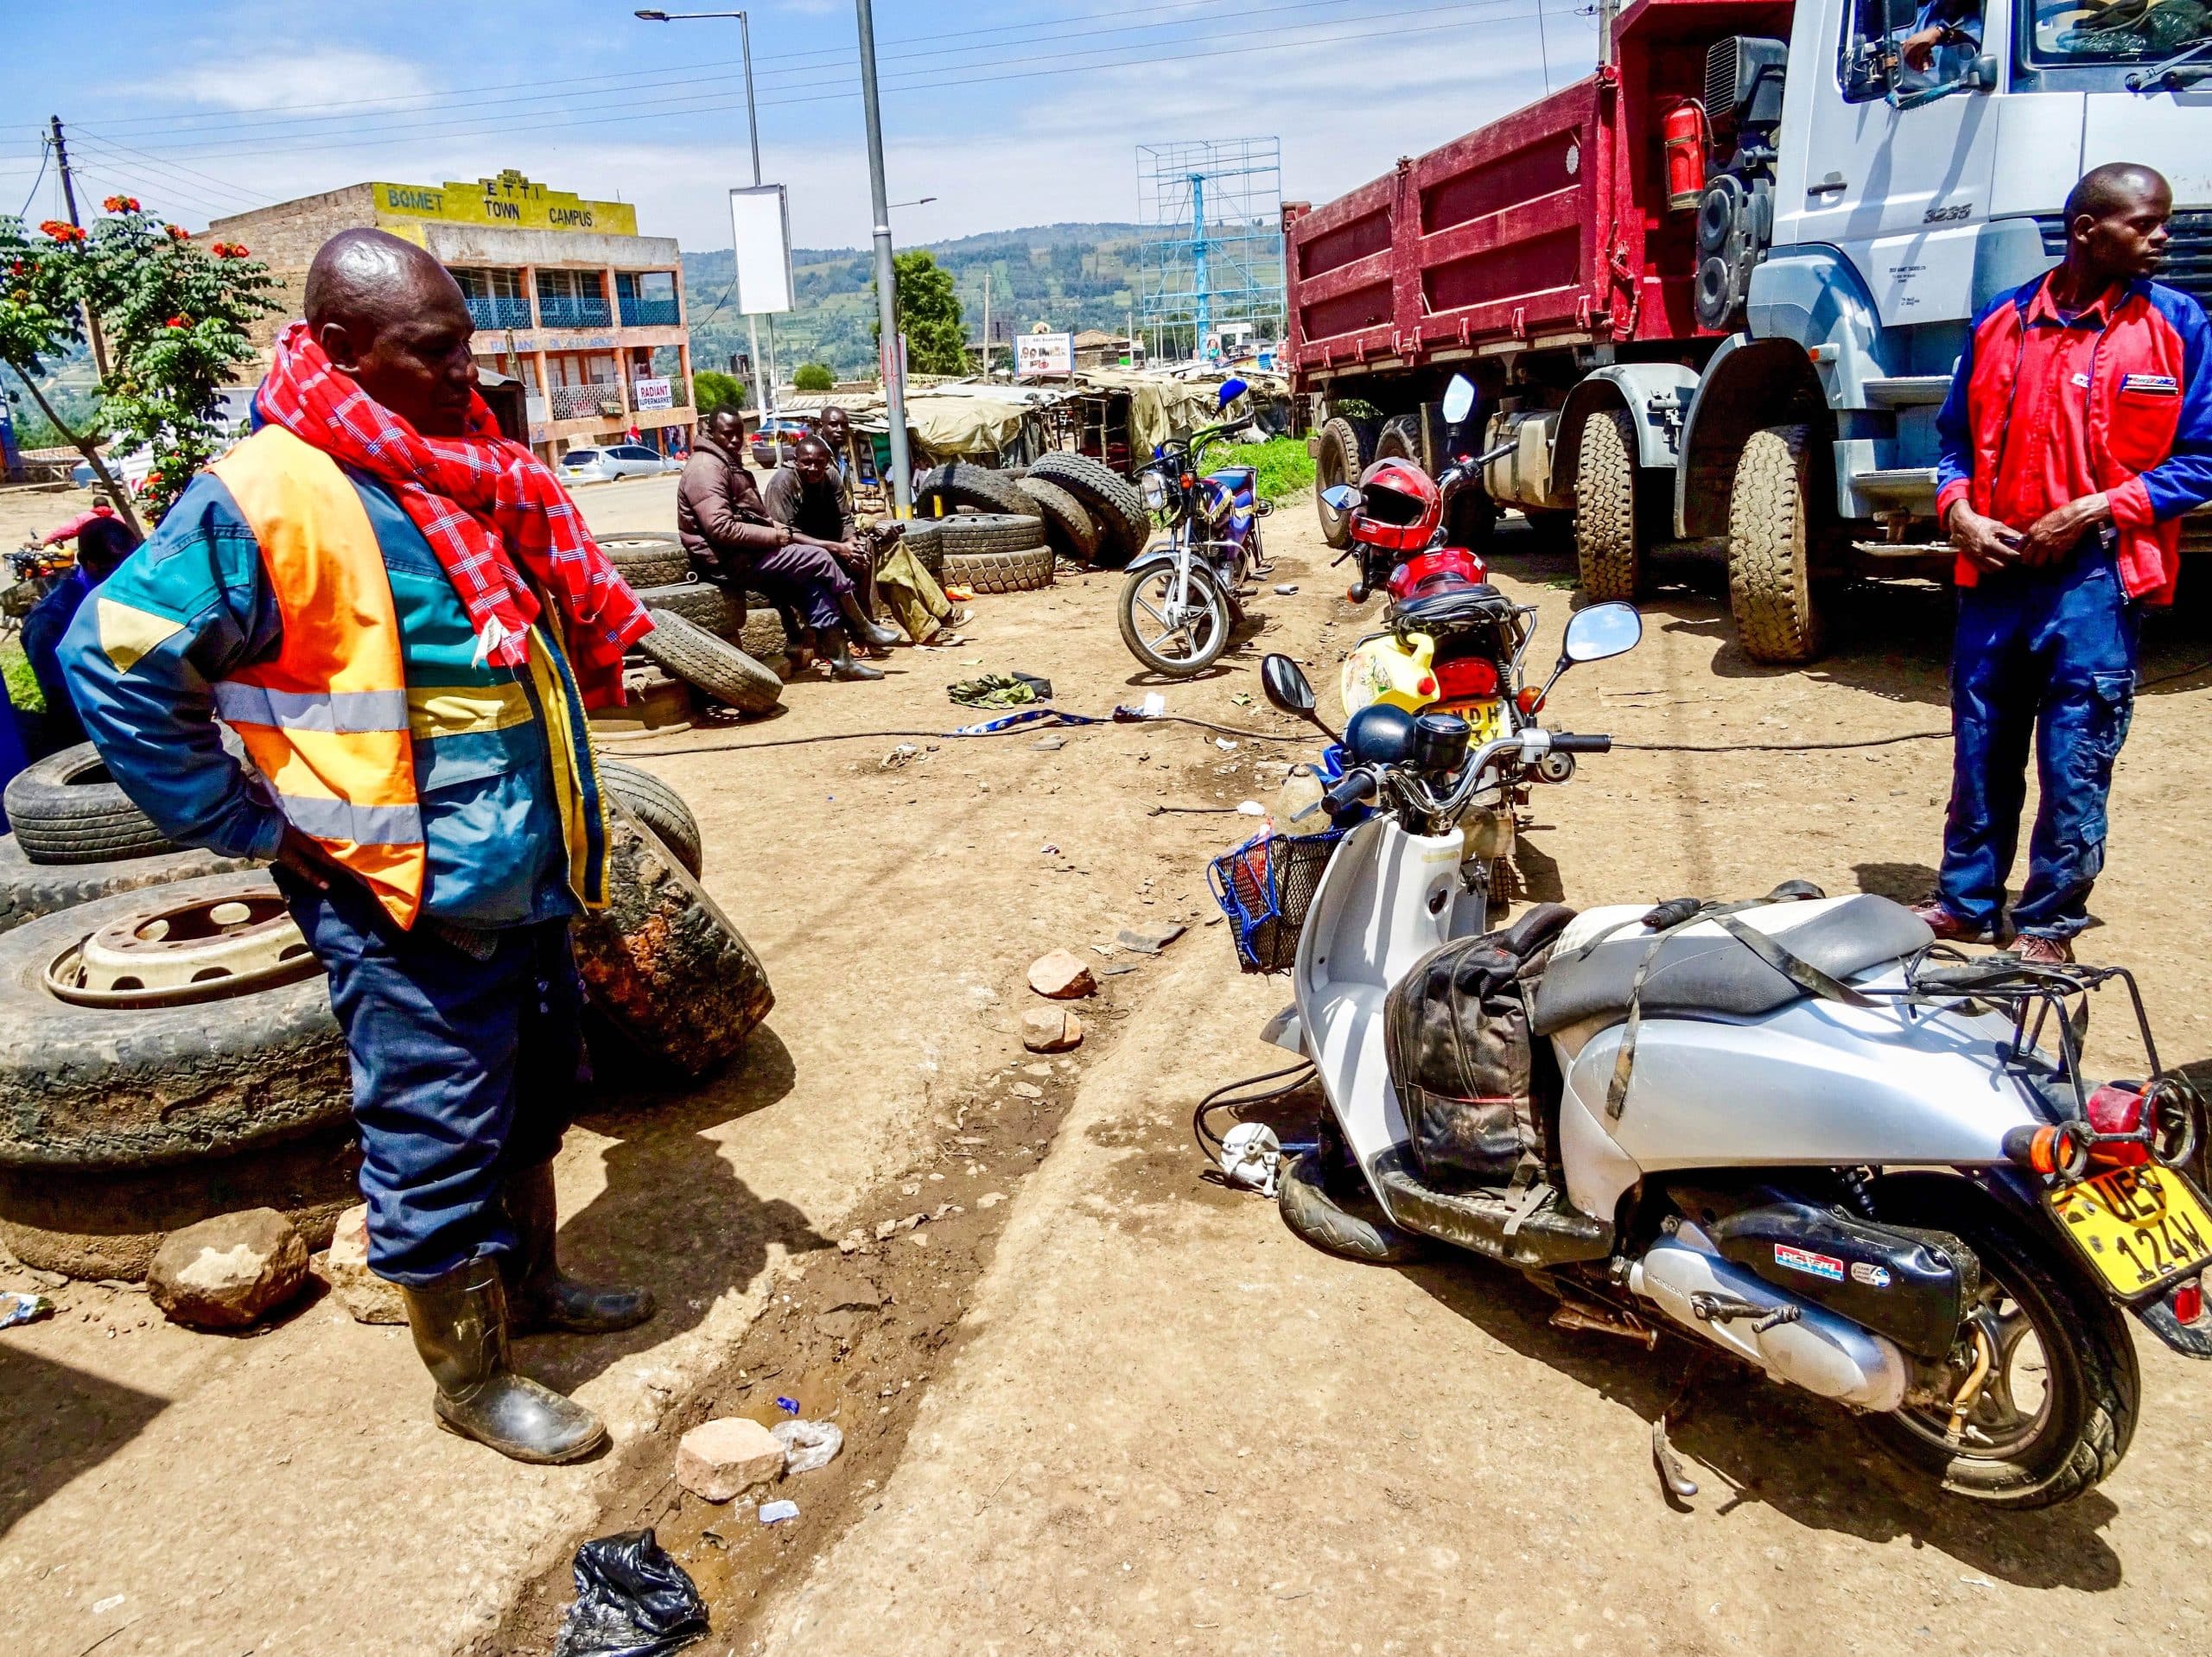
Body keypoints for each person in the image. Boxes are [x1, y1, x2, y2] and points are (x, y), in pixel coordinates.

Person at [60, 228, 658, 1464]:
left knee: (541, 1091)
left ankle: (532, 1283)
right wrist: (244, 821)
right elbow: (110, 658)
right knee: (437, 1126)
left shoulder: (458, 466)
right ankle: (471, 1377)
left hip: (525, 870)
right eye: (431, 349)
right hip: (397, 889)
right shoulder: (269, 492)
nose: (462, 371)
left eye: (465, 345)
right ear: (339, 347)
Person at [1919, 162, 2212, 963]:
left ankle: (2050, 922)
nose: (2163, 237)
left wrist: (2095, 509)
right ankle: (1966, 902)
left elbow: (2203, 458)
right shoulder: (2000, 323)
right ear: (2087, 230)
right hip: (1995, 576)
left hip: (2096, 578)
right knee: (1981, 747)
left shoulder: (2178, 325)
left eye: (2165, 223)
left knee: (2075, 755)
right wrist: (1960, 514)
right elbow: (1952, 443)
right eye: (2145, 224)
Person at [677, 407, 897, 680]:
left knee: (813, 586)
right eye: (727, 434)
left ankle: (842, 662)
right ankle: (862, 627)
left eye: (738, 434)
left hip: (744, 553)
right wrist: (775, 536)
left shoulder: (723, 463)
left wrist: (775, 528)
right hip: (727, 561)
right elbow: (720, 527)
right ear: (710, 432)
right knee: (820, 559)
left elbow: (751, 515)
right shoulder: (706, 469)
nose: (735, 441)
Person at [765, 435, 971, 646]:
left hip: (834, 547)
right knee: (885, 568)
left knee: (892, 553)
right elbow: (786, 536)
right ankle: (911, 630)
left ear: (826, 462)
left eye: (819, 463)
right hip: (804, 557)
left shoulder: (831, 476)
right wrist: (838, 548)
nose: (813, 468)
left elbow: (845, 519)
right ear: (795, 460)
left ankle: (936, 620)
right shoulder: (782, 484)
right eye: (806, 463)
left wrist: (852, 543)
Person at [21, 503, 142, 752]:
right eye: (116, 568)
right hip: (93, 739)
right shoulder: (50, 623)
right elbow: (66, 699)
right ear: (88, 563)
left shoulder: (131, 592)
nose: (126, 578)